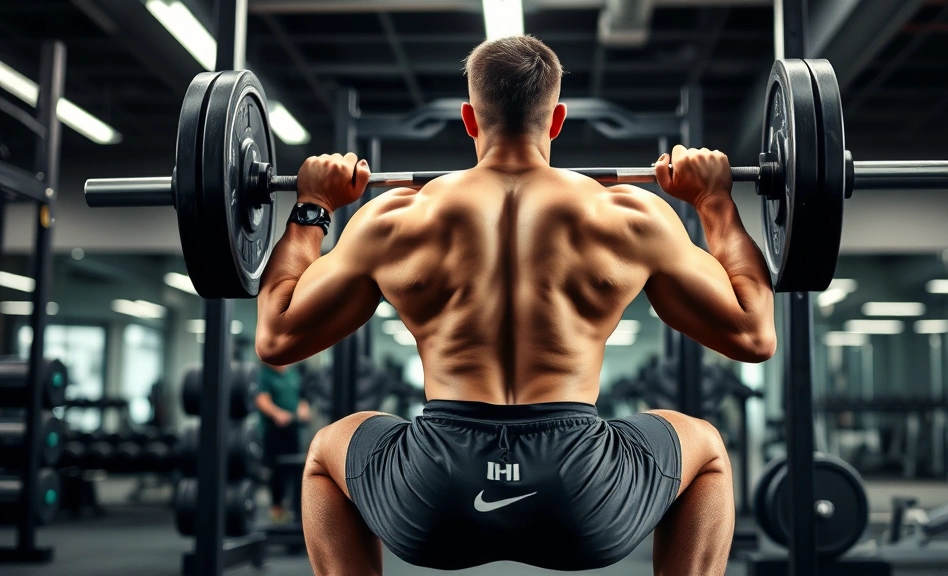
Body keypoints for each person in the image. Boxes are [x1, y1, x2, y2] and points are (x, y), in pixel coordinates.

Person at [256, 35, 775, 576]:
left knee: (325, 452)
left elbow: (277, 337)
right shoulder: (630, 215)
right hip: (584, 499)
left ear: (468, 118)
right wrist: (714, 202)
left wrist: (313, 206)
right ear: (557, 120)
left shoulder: (393, 219)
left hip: (433, 499)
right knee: (707, 449)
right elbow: (753, 334)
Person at [255, 362, 310, 523]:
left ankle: (295, 511)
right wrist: (277, 414)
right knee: (277, 472)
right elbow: (261, 400)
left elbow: (302, 397)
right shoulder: (265, 375)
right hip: (273, 431)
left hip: (293, 430)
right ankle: (277, 511)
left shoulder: (293, 373)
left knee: (296, 471)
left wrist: (303, 409)